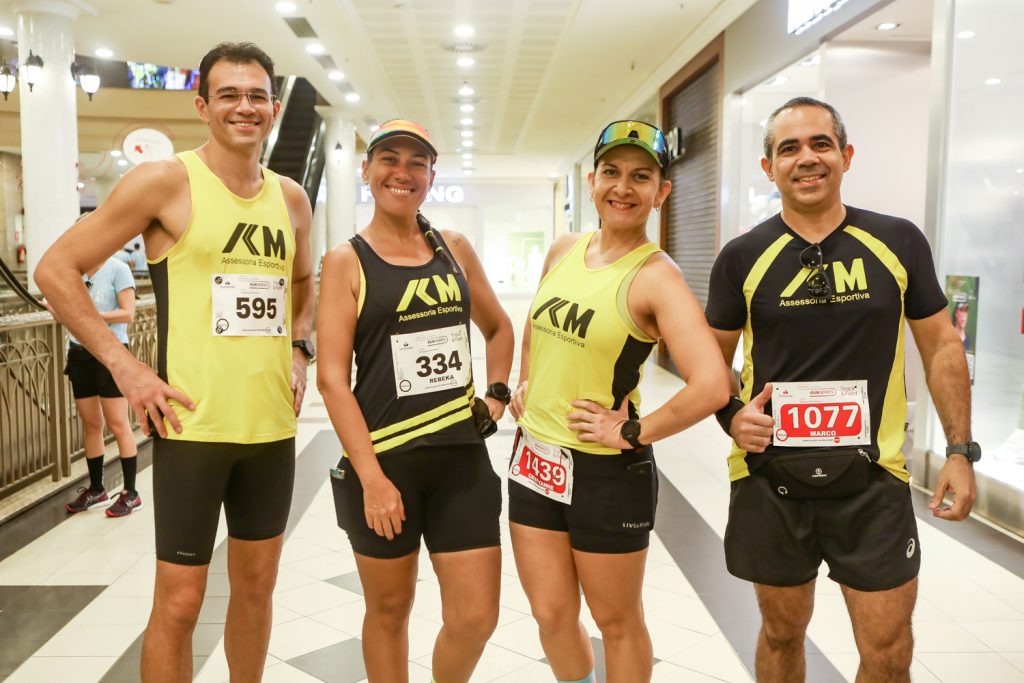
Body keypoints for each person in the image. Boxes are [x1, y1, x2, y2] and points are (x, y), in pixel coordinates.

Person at [35, 42, 314, 682]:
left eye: (256, 95)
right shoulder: (166, 181)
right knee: (181, 602)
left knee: (255, 591)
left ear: (274, 107)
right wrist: (126, 367)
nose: (245, 107)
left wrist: (299, 348)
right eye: (229, 95)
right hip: (192, 430)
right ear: (202, 106)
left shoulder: (292, 199)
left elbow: (302, 285)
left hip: (271, 430)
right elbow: (56, 269)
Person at [705, 96, 977, 682]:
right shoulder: (742, 257)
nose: (807, 158)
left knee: (888, 649)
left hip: (873, 481)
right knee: (780, 634)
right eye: (789, 148)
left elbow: (942, 346)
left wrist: (958, 450)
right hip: (768, 478)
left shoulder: (897, 241)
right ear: (768, 166)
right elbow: (708, 361)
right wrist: (731, 414)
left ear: (846, 156)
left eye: (820, 144)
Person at [507, 120, 730, 683]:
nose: (623, 187)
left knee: (615, 620)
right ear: (592, 180)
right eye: (612, 172)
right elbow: (537, 325)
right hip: (535, 462)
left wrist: (633, 432)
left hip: (606, 474)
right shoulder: (564, 249)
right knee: (551, 614)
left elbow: (711, 384)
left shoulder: (657, 278)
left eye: (641, 176)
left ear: (662, 191)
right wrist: (528, 381)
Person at [317, 119, 514, 683]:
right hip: (384, 463)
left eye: (416, 163)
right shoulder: (345, 261)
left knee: (476, 616)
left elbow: (499, 329)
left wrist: (496, 396)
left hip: (461, 460)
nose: (401, 172)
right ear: (367, 170)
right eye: (388, 159)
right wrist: (371, 478)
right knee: (388, 610)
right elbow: (333, 378)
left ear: (431, 176)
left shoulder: (454, 250)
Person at [59, 255, 141, 517]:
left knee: (118, 423)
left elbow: (128, 313)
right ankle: (97, 489)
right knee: (92, 424)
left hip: (110, 352)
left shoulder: (118, 269)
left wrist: (93, 316)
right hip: (79, 353)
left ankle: (131, 493)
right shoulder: (76, 270)